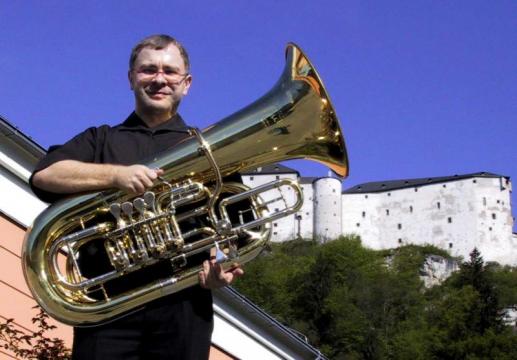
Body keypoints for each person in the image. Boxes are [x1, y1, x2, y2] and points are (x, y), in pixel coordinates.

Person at [30, 34, 244, 360]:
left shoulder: (210, 148)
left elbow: (244, 222)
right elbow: (44, 175)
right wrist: (116, 175)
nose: (159, 79)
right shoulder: (100, 139)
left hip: (184, 306)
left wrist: (223, 266)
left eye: (170, 72)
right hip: (107, 307)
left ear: (186, 83)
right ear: (132, 78)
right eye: (148, 70)